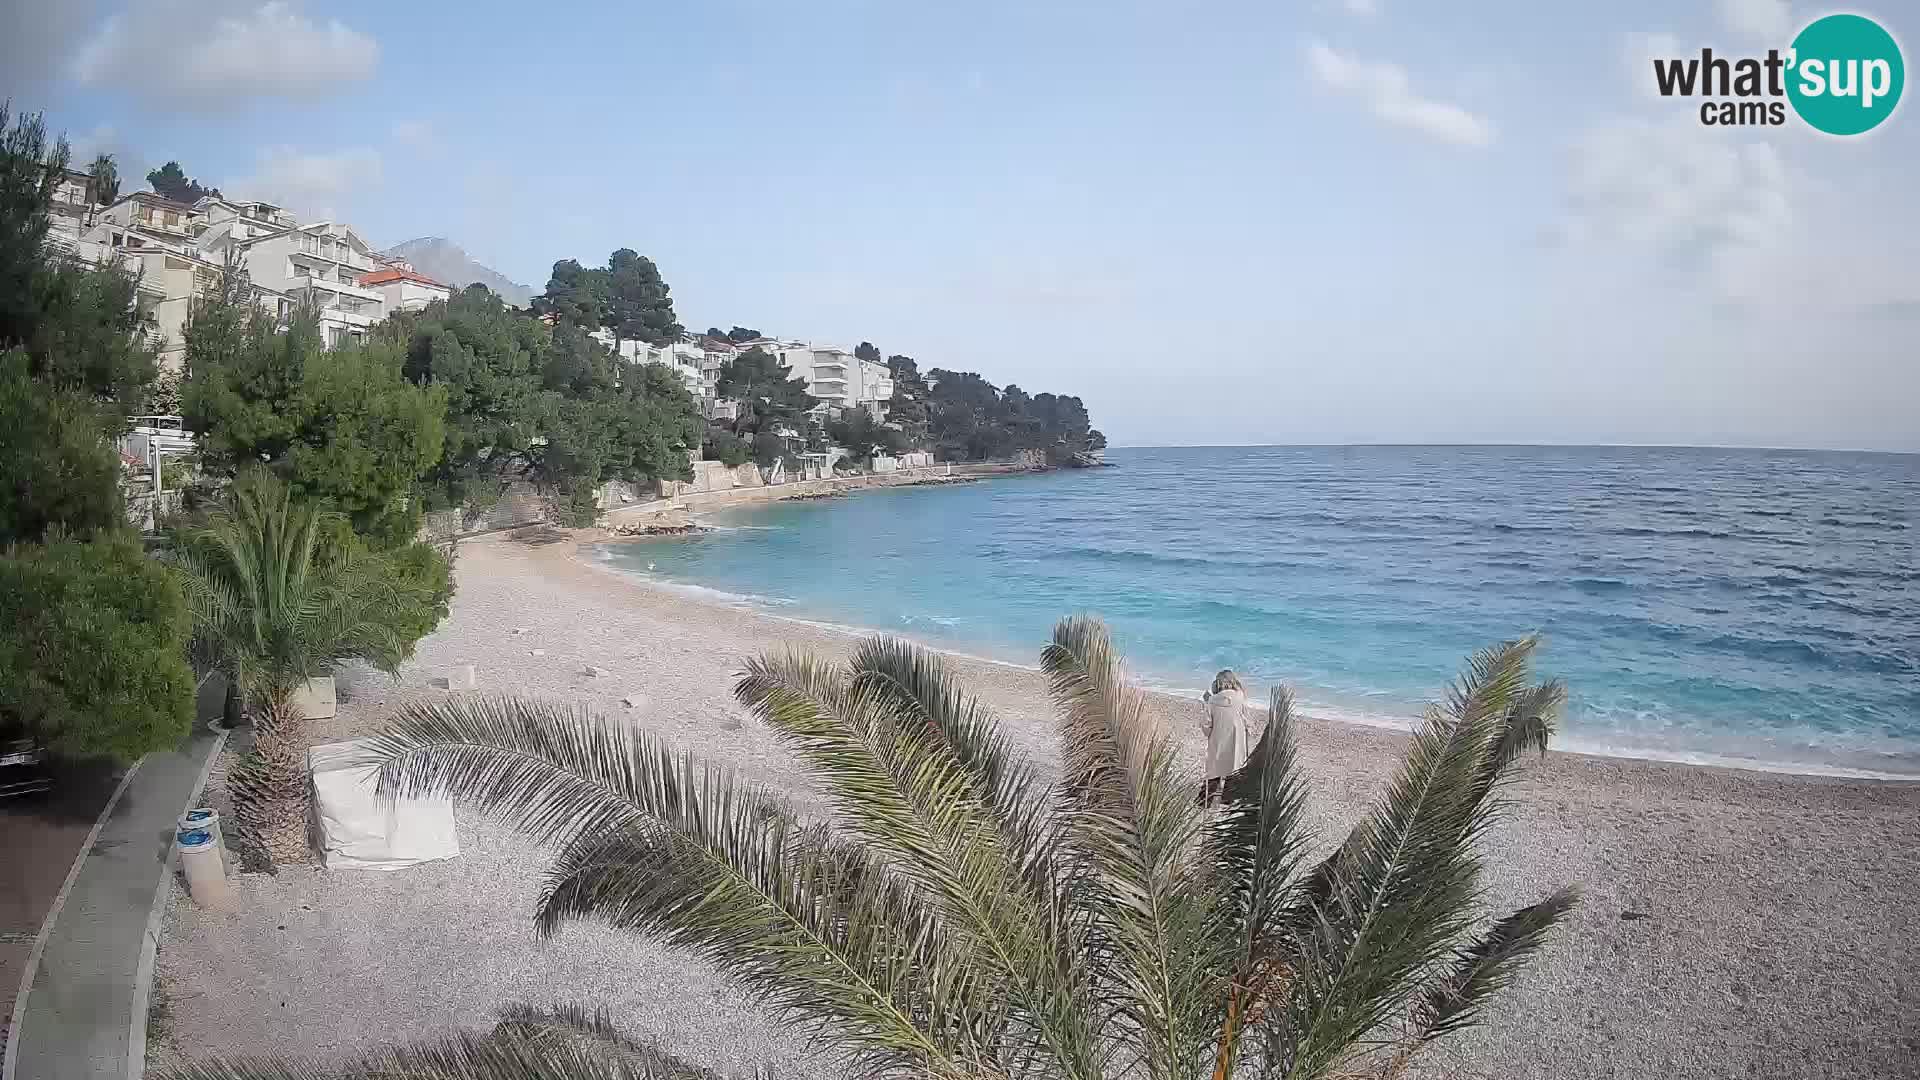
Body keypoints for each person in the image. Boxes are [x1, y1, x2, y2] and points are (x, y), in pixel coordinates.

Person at [1200, 669, 1250, 806]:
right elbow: (1246, 719)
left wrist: (1206, 702)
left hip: (1218, 739)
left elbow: (1206, 725)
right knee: (1234, 766)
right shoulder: (1240, 698)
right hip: (1236, 738)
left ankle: (1206, 799)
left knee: (1214, 768)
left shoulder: (1212, 702)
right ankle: (1228, 798)